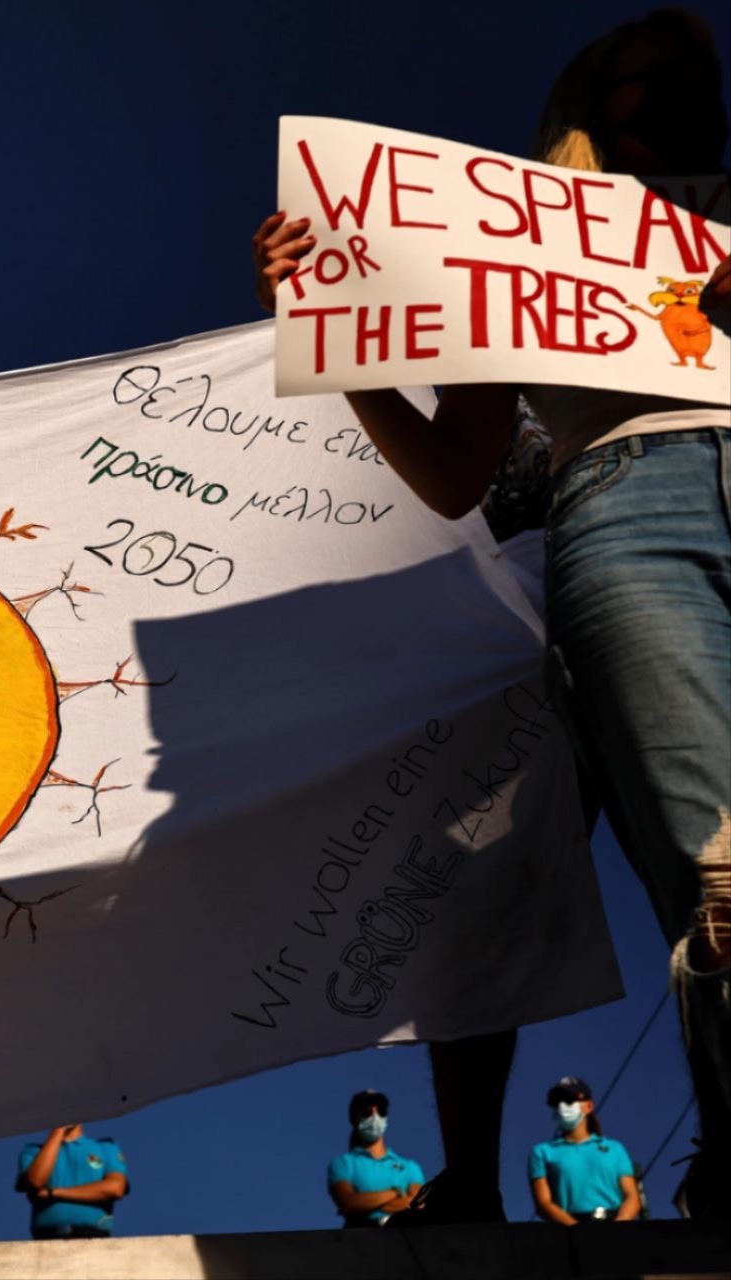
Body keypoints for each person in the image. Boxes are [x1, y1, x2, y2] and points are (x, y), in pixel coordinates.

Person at [252, 7, 731, 1220]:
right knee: (721, 876)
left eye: (699, 82)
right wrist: (329, 328)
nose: (684, 97)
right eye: (650, 82)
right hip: (629, 500)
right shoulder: (507, 246)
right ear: (589, 106)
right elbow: (456, 471)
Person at [530, 1076, 641, 1223]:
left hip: (615, 1226)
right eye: (557, 1102)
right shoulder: (542, 1152)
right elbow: (544, 1203)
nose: (563, 1106)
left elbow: (632, 1196)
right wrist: (577, 1232)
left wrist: (618, 1228)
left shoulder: (614, 1148)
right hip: (569, 1232)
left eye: (569, 1100)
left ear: (588, 1106)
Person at [327, 1090, 426, 1227]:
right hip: (362, 1240)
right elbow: (348, 1203)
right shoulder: (343, 1163)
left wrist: (369, 1203)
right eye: (367, 1112)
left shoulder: (410, 1166)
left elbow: (419, 1205)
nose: (375, 1117)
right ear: (354, 1118)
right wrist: (396, 1192)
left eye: (381, 1112)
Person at [15, 1124, 128, 1240]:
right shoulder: (33, 1151)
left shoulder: (105, 1147)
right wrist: (58, 1131)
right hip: (47, 1238)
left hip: (93, 1236)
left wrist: (52, 1193)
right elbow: (35, 1181)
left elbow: (115, 1188)